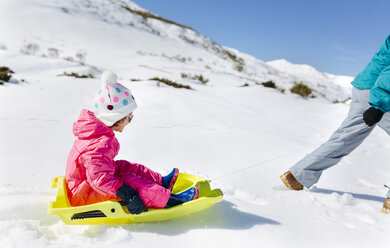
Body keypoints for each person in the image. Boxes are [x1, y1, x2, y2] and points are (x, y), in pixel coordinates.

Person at [280, 34, 390, 214]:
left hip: (364, 86)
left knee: (344, 138)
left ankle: (298, 176)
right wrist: (379, 103)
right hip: (379, 91)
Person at [65, 71, 199, 214]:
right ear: (116, 118)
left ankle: (161, 183)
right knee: (129, 181)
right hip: (84, 196)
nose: (130, 120)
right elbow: (99, 179)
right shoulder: (99, 144)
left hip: (86, 185)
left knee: (123, 166)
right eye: (129, 117)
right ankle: (170, 200)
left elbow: (98, 172)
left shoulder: (94, 131)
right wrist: (127, 194)